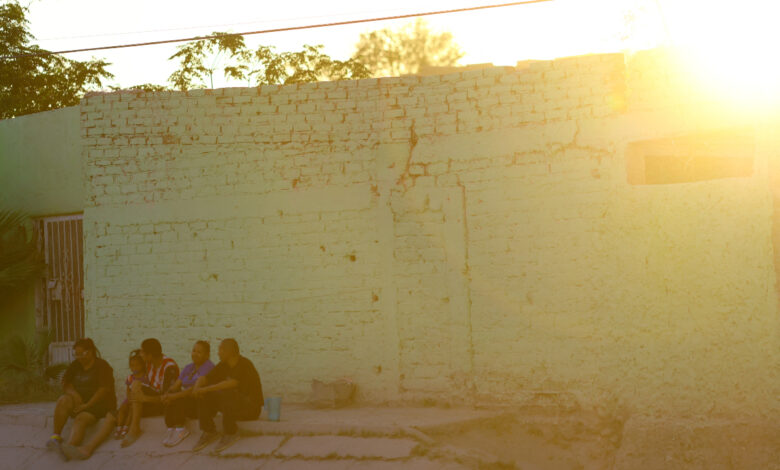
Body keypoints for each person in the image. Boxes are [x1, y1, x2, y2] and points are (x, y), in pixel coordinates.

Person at [46, 338, 117, 461]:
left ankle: (70, 447)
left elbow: (103, 390)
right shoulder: (76, 365)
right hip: (80, 402)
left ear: (89, 352)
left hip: (98, 404)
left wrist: (87, 405)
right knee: (63, 399)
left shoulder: (102, 366)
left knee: (81, 418)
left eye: (81, 354)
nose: (78, 357)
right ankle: (56, 436)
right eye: (75, 354)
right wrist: (75, 394)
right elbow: (66, 383)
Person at [191, 338, 263, 453]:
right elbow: (205, 378)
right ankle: (209, 431)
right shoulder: (223, 365)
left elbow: (231, 383)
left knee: (228, 392)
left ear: (229, 352)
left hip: (250, 409)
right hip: (233, 407)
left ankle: (231, 433)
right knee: (203, 395)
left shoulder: (245, 364)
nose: (218, 353)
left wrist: (205, 389)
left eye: (221, 350)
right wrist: (197, 388)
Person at [121, 338, 179, 448]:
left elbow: (168, 397)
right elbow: (135, 356)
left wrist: (144, 399)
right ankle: (133, 427)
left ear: (150, 355)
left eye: (143, 352)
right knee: (136, 383)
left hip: (166, 405)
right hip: (152, 399)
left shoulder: (169, 367)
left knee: (136, 393)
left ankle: (134, 429)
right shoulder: (149, 362)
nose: (140, 354)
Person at [160, 340, 215, 447]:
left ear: (207, 355)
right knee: (174, 395)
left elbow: (193, 389)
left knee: (179, 397)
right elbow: (176, 385)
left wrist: (173, 396)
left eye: (199, 352)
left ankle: (181, 429)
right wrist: (167, 394)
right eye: (194, 351)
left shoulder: (209, 367)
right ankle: (171, 428)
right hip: (187, 402)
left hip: (202, 405)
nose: (195, 354)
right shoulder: (188, 367)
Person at [113, 350, 147, 439]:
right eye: (132, 366)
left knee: (131, 410)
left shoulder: (145, 376)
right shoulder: (130, 377)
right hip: (129, 398)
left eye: (137, 365)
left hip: (138, 399)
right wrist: (128, 398)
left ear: (143, 365)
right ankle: (119, 427)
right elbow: (128, 389)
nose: (134, 368)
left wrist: (133, 400)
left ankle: (126, 426)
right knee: (122, 409)